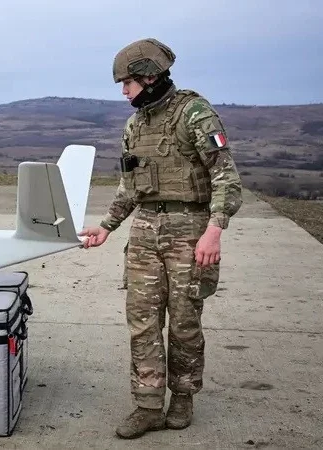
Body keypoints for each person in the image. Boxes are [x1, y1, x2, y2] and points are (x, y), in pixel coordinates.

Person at [77, 38, 243, 439]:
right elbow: (129, 187)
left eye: (127, 82)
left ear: (149, 77)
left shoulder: (195, 113)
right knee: (142, 322)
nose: (124, 91)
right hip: (145, 231)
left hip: (190, 230)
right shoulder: (134, 125)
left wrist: (214, 231)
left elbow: (226, 177)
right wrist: (107, 225)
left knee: (184, 321)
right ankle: (148, 405)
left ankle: (183, 397)